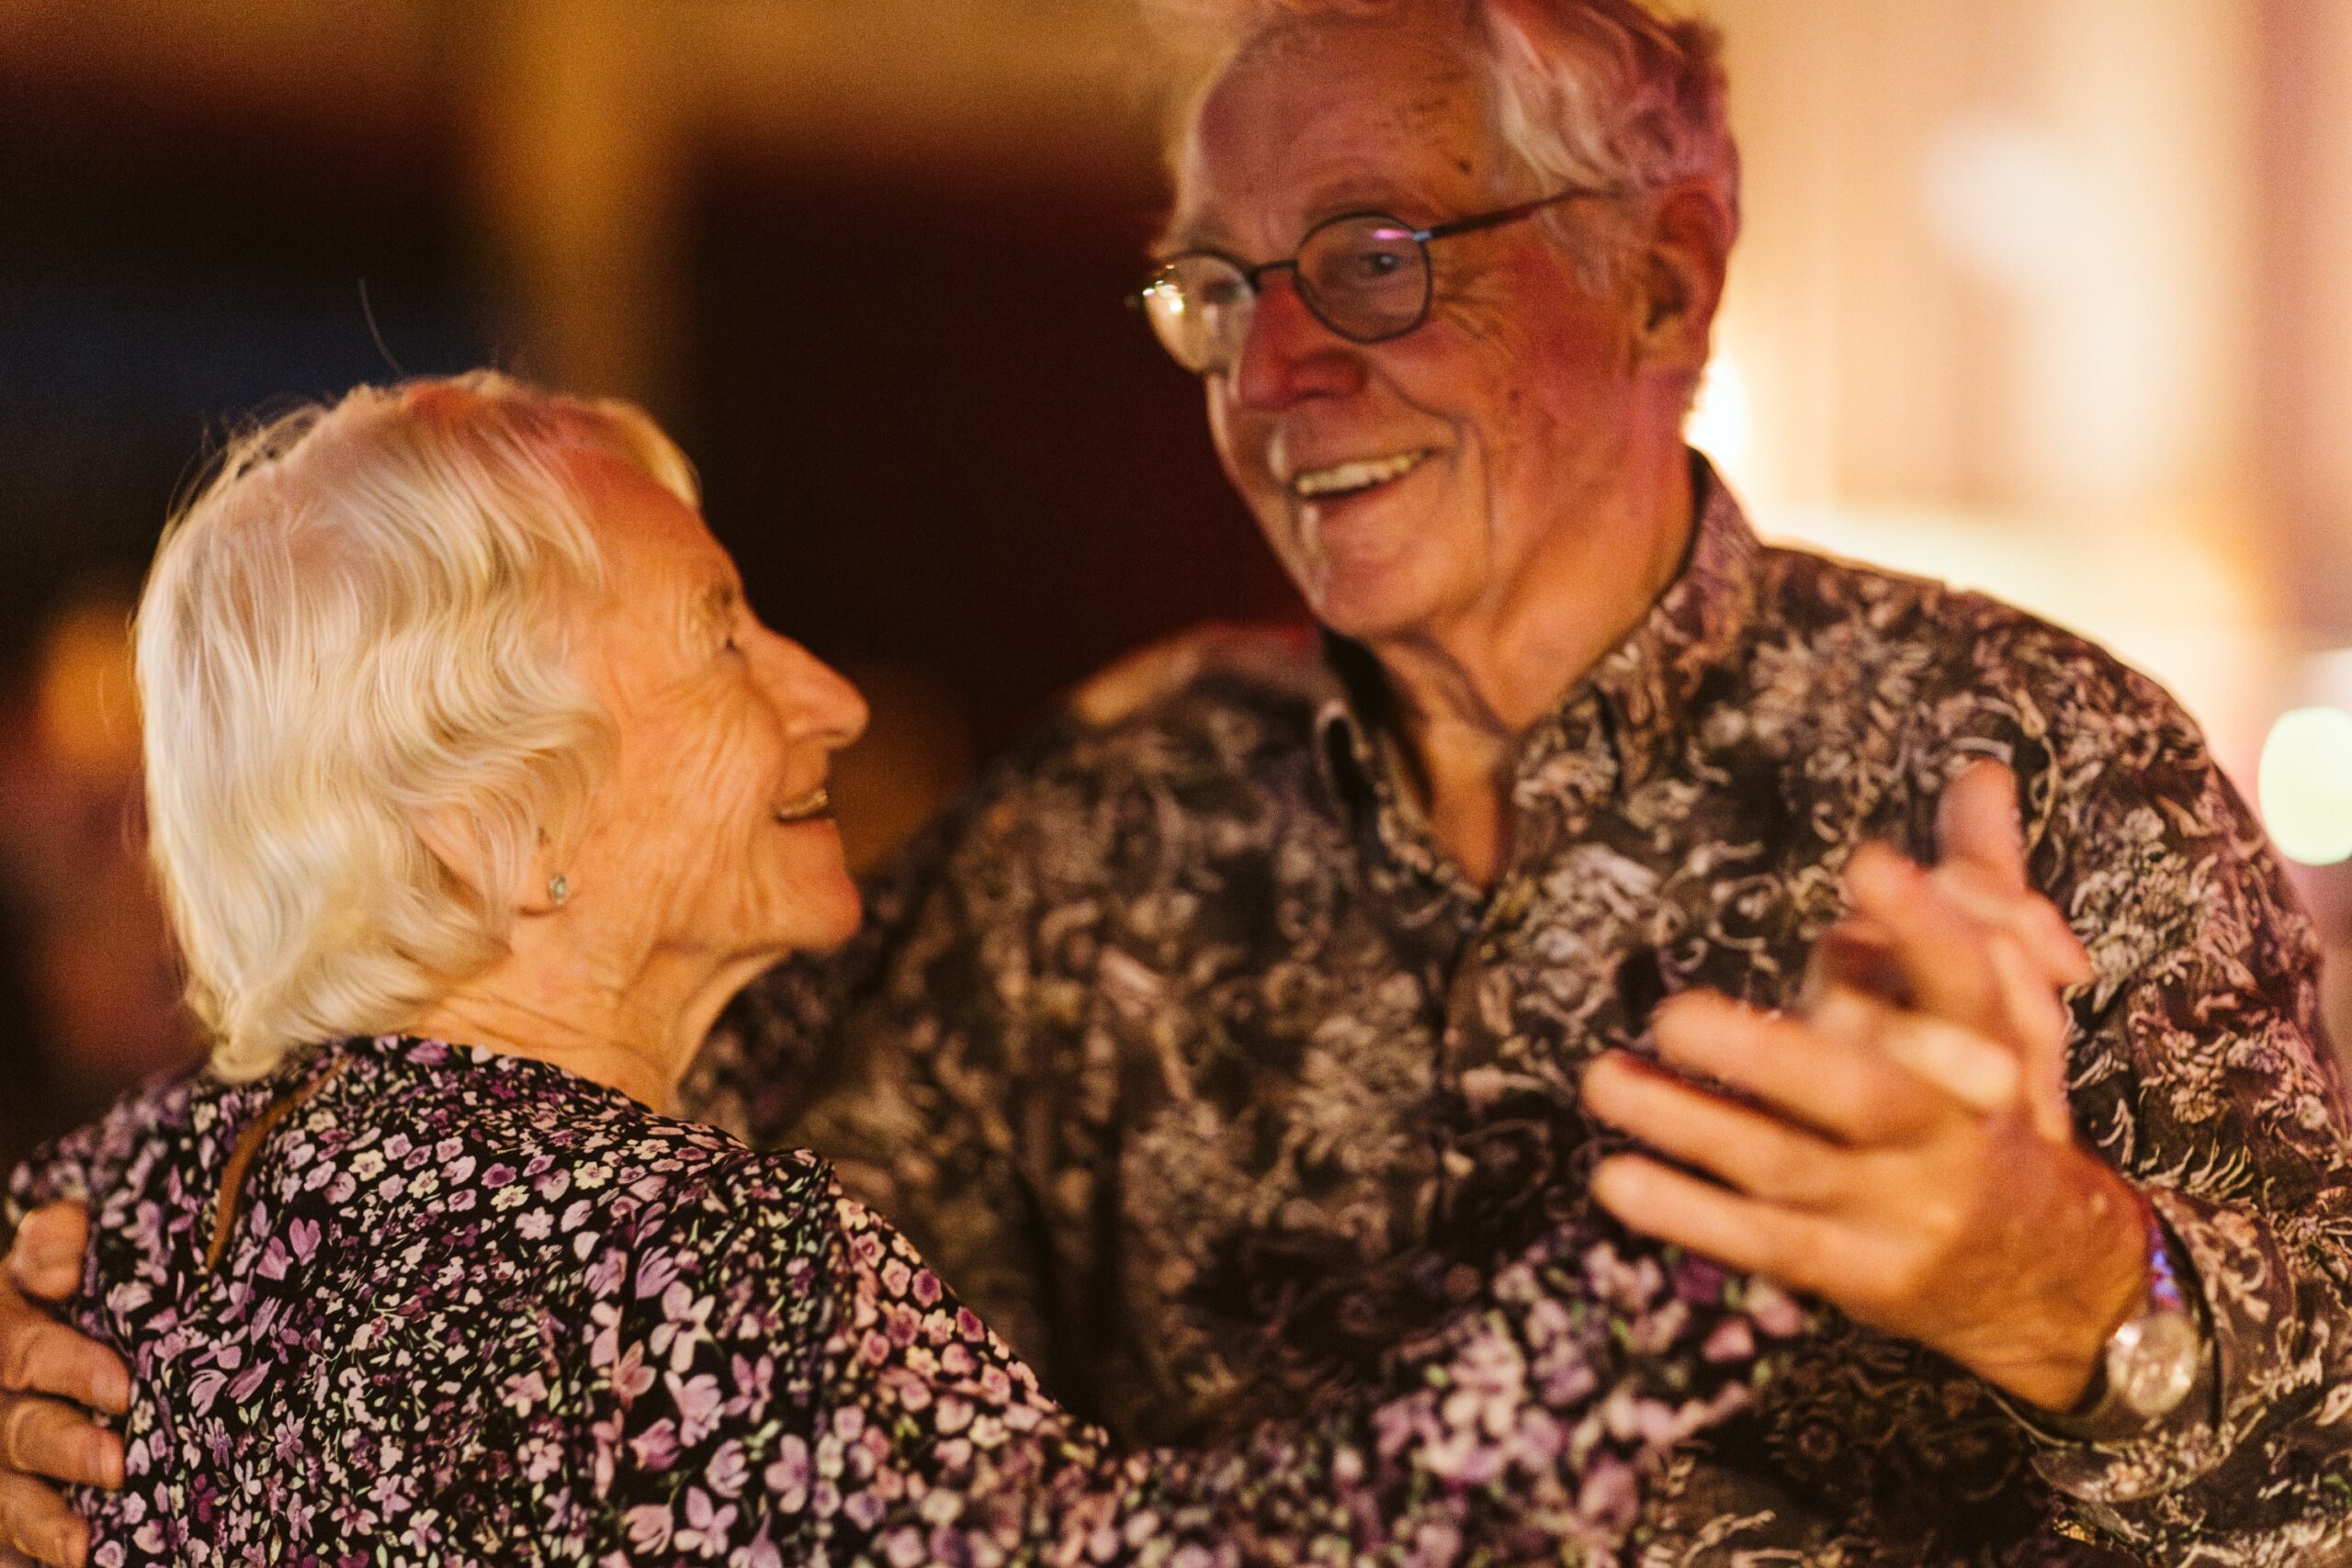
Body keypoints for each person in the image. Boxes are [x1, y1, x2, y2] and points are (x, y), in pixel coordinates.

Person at [6, 0, 2349, 1562]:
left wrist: (2066, 1279)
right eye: (1215, 291)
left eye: (1374, 256)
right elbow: (549, 1181)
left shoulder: (2040, 776)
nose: (1278, 375)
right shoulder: (1104, 819)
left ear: (1666, 279)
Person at [0, 374, 1793, 1567]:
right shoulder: (675, 1268)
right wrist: (1711, 1244)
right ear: (479, 821)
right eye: (723, 640)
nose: (831, 697)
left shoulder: (101, 1217)